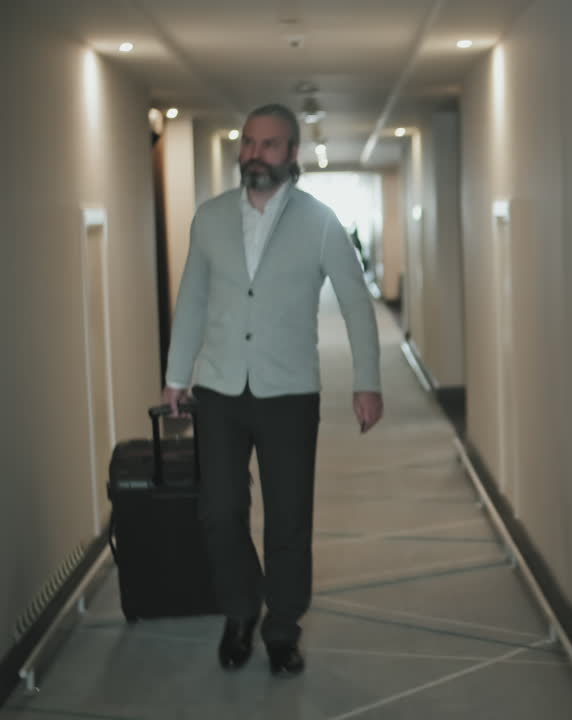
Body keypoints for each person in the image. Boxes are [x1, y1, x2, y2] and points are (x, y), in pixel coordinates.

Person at [162, 103, 383, 676]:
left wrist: (367, 382)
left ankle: (282, 627)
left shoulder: (321, 222)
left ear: (292, 155)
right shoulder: (209, 218)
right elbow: (191, 299)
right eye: (250, 143)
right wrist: (175, 376)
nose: (256, 154)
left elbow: (357, 303)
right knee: (219, 510)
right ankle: (241, 611)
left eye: (270, 144)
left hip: (289, 392)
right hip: (219, 389)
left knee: (288, 517)